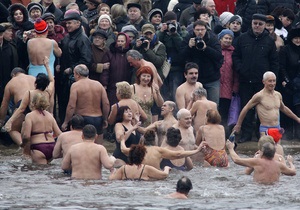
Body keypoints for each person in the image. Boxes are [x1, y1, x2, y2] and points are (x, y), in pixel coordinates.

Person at [232, 14, 279, 142]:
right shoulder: (242, 38)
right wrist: (241, 68)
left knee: (262, 109)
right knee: (246, 107)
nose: (257, 26)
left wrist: (271, 79)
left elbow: (274, 61)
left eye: (260, 24)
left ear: (264, 25)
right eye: (255, 23)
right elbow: (236, 56)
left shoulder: (269, 41)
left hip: (262, 82)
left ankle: (260, 135)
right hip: (245, 80)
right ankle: (246, 134)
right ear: (251, 23)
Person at [233, 71, 300, 142]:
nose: (272, 83)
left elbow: (284, 108)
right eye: (270, 81)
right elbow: (246, 108)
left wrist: (297, 118)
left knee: (278, 152)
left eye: (274, 81)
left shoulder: (278, 95)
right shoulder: (259, 96)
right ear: (263, 81)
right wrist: (238, 125)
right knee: (267, 151)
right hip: (265, 129)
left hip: (277, 128)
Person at [61, 64, 110, 144]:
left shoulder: (76, 86)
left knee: (82, 145)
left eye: (74, 74)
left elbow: (71, 106)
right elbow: (106, 104)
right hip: (98, 118)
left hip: (82, 119)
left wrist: (66, 122)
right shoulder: (98, 84)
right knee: (98, 145)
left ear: (77, 74)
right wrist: (105, 118)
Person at [4, 56, 55, 133]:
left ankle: (22, 144)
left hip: (31, 115)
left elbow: (21, 109)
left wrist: (9, 121)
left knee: (18, 131)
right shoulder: (48, 92)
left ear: (35, 84)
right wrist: (47, 66)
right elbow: (52, 80)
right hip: (44, 115)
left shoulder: (30, 93)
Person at [59, 12, 92, 124]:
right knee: (63, 103)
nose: (67, 25)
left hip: (75, 78)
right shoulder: (67, 37)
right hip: (64, 77)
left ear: (78, 23)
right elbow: (62, 53)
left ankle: (71, 127)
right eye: (66, 23)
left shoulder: (83, 39)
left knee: (73, 105)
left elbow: (86, 60)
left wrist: (71, 68)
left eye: (70, 23)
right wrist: (59, 64)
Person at [181, 20, 223, 105]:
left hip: (211, 77)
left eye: (202, 29)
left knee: (213, 105)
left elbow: (219, 56)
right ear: (193, 30)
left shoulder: (212, 38)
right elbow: (180, 57)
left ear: (206, 30)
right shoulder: (188, 38)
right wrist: (189, 47)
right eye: (197, 30)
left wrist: (205, 48)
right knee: (193, 104)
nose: (200, 32)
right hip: (194, 78)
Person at [121, 129, 203, 170]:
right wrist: (197, 150)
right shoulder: (159, 150)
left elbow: (124, 150)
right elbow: (179, 155)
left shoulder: (137, 149)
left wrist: (122, 140)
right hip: (156, 177)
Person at [226, 140, 296, 184]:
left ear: (262, 153)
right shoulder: (279, 165)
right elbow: (293, 172)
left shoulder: (257, 162)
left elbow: (236, 160)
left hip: (258, 188)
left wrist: (230, 148)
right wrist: (290, 162)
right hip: (274, 188)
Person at [21, 93, 62, 164]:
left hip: (38, 147)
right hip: (52, 146)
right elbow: (59, 134)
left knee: (39, 171)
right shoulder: (49, 115)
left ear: (33, 103)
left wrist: (22, 145)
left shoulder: (30, 116)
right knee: (47, 172)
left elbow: (26, 136)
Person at [0, 68, 35, 146]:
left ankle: (23, 146)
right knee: (36, 129)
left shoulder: (11, 82)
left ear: (13, 75)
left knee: (12, 129)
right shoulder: (33, 78)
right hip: (36, 103)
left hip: (22, 104)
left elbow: (4, 104)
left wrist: (1, 120)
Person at [279, 26, 300, 139]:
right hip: (286, 85)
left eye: (299, 38)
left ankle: (297, 136)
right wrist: (287, 81)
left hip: (298, 85)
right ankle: (285, 136)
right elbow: (282, 68)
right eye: (295, 38)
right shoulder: (285, 50)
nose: (298, 40)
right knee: (286, 111)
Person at [101, 32, 132, 105]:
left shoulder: (130, 53)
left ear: (126, 42)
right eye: (118, 41)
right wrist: (104, 83)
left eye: (122, 41)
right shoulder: (110, 53)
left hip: (127, 86)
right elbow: (105, 71)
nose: (120, 43)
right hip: (112, 86)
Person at [217, 29, 239, 134]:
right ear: (220, 39)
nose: (228, 40)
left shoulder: (234, 52)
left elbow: (235, 72)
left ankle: (224, 133)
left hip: (228, 87)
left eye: (230, 38)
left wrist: (235, 87)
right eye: (226, 38)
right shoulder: (216, 50)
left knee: (225, 112)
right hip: (216, 85)